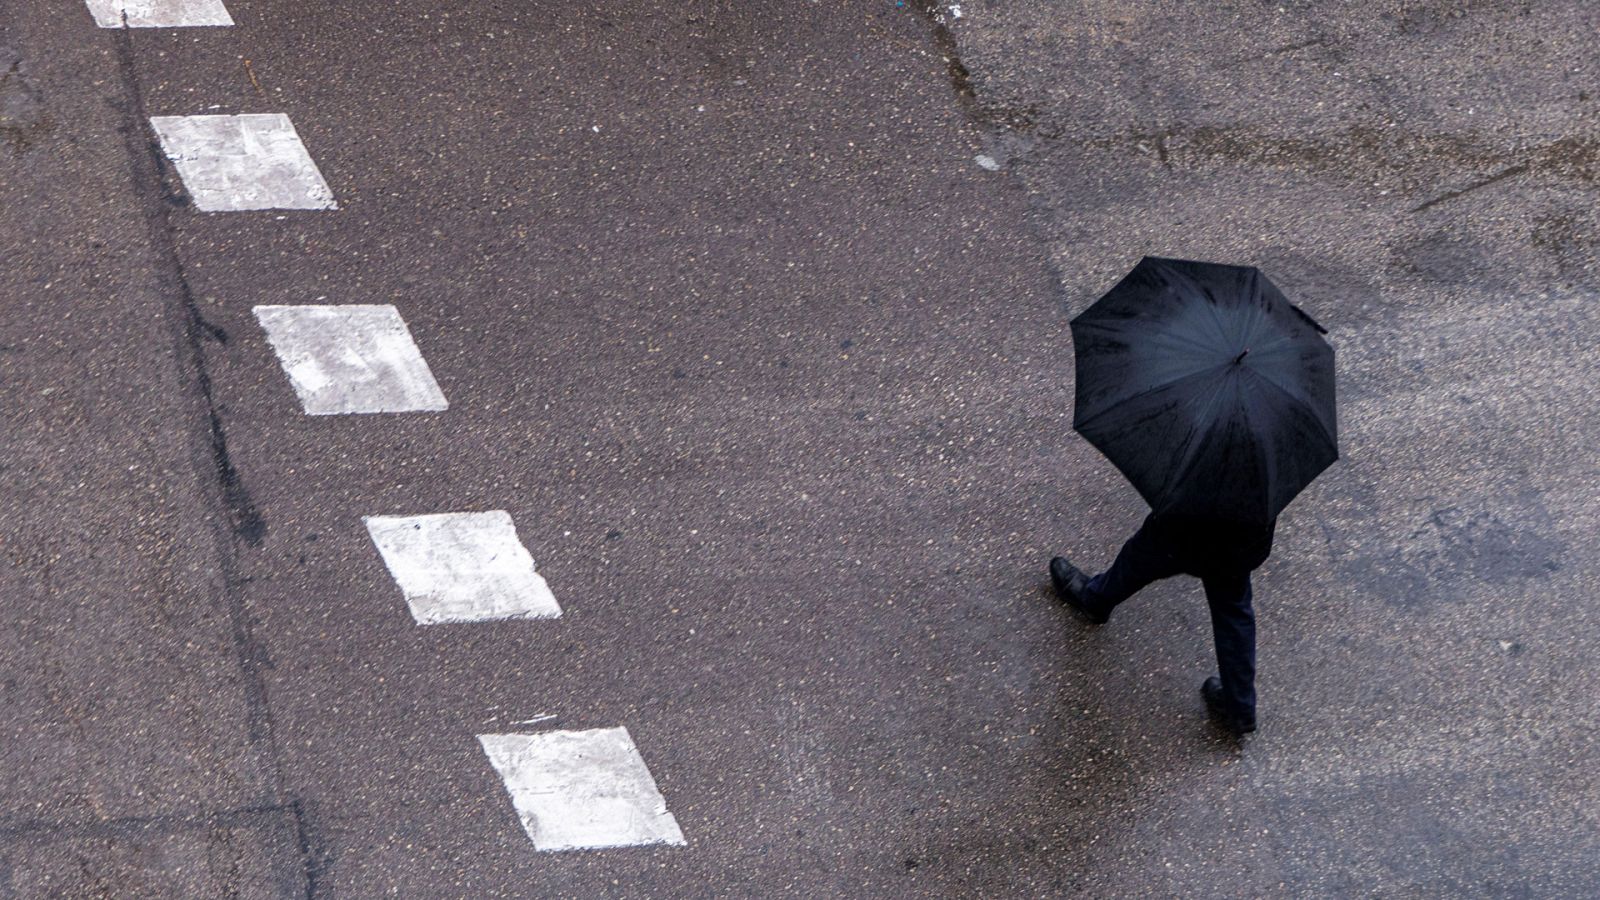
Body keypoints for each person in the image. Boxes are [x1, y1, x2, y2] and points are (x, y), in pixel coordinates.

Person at [1050, 512, 1275, 736]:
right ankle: (1239, 706)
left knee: (1143, 553)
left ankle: (1096, 599)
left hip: (1191, 520)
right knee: (1233, 604)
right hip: (1247, 533)